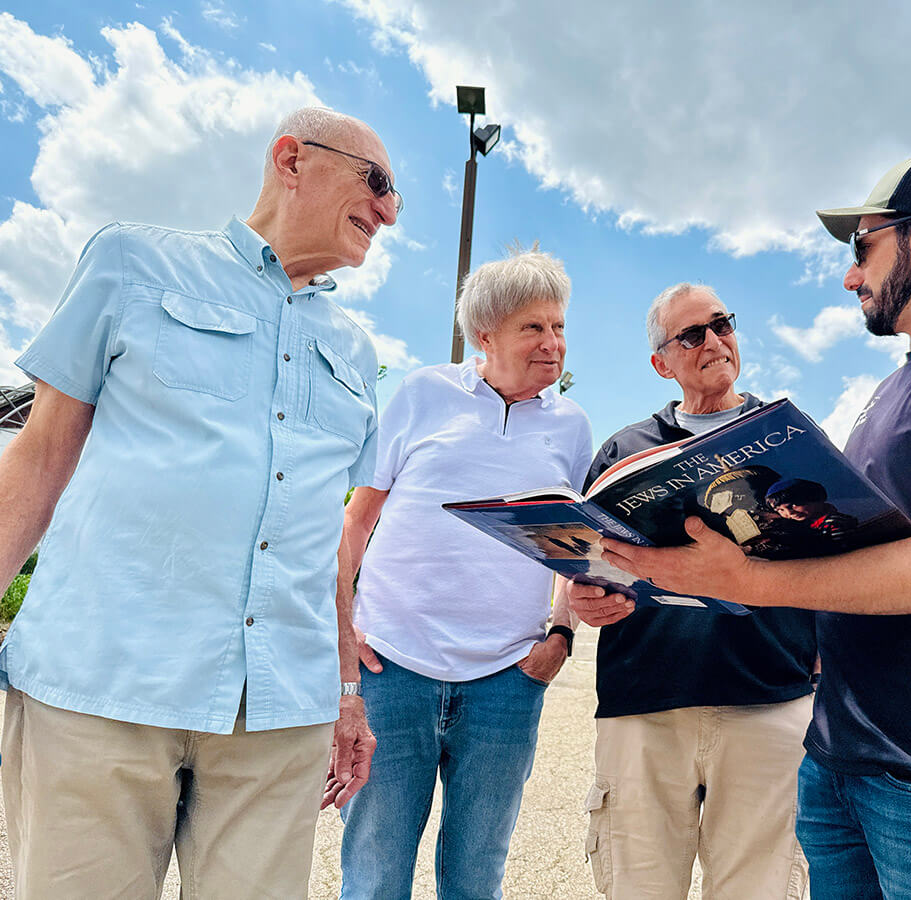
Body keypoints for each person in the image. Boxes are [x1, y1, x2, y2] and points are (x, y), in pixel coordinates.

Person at [582, 157, 911, 899]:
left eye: (862, 250)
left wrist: (745, 580)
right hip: (846, 760)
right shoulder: (900, 382)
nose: (852, 278)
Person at [0, 106, 399, 898]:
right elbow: (39, 458)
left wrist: (349, 692)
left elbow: (327, 534)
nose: (388, 211)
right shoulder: (132, 263)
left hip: (279, 713)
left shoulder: (356, 349)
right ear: (291, 160)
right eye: (377, 183)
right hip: (102, 686)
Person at [333, 249, 593, 900]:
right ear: (486, 334)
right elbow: (356, 522)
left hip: (507, 682)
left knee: (478, 876)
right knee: (375, 870)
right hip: (393, 671)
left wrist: (559, 638)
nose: (552, 343)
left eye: (559, 327)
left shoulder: (572, 426)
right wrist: (344, 639)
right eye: (534, 327)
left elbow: (575, 547)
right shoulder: (423, 394)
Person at [570, 283, 816, 900]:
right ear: (662, 363)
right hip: (645, 703)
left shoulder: (792, 437)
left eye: (722, 324)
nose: (714, 341)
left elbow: (837, 552)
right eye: (692, 335)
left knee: (757, 888)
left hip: (769, 699)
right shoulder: (622, 452)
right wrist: (582, 603)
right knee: (639, 888)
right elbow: (586, 561)